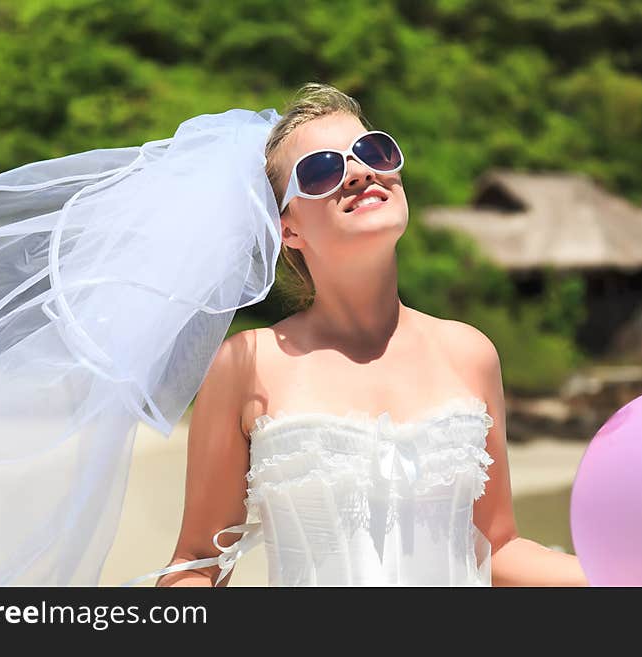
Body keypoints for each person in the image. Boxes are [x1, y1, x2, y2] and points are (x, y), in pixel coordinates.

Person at [147, 83, 589, 587]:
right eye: (320, 171)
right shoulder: (246, 362)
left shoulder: (471, 354)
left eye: (372, 150)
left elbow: (498, 548)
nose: (358, 171)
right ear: (287, 229)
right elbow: (198, 563)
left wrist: (629, 578)